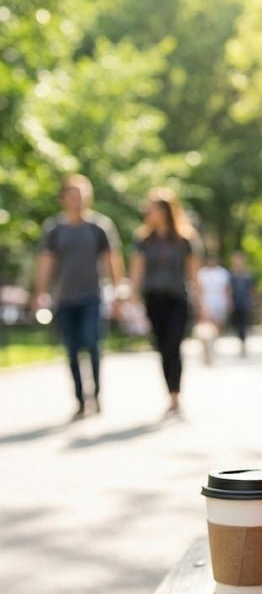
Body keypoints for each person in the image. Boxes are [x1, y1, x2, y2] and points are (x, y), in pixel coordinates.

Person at [34, 174, 124, 419]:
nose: (78, 200)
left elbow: (112, 259)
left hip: (92, 296)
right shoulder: (54, 229)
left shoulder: (99, 227)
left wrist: (118, 291)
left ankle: (96, 394)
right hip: (64, 298)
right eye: (73, 195)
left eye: (82, 195)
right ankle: (80, 399)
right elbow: (46, 262)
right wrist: (40, 293)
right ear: (63, 198)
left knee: (92, 343)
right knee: (72, 349)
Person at [129, 188, 201, 417]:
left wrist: (202, 304)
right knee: (162, 347)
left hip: (177, 299)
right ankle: (169, 392)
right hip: (154, 300)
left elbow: (193, 274)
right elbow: (137, 271)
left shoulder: (185, 239)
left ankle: (176, 395)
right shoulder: (144, 240)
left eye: (154, 208)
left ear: (166, 211)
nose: (149, 212)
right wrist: (132, 296)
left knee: (173, 344)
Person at [196, 251, 231, 364]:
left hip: (220, 303)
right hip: (206, 303)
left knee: (217, 327)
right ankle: (206, 352)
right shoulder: (202, 273)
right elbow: (199, 289)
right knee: (206, 328)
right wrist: (200, 304)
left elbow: (227, 289)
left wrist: (228, 302)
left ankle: (213, 347)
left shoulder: (223, 272)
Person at [228, 250, 254, 356]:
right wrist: (229, 302)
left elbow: (252, 289)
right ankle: (240, 340)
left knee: (244, 323)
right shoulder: (231, 274)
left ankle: (243, 342)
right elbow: (229, 289)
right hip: (235, 302)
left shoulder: (247, 274)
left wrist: (253, 301)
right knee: (237, 324)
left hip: (245, 301)